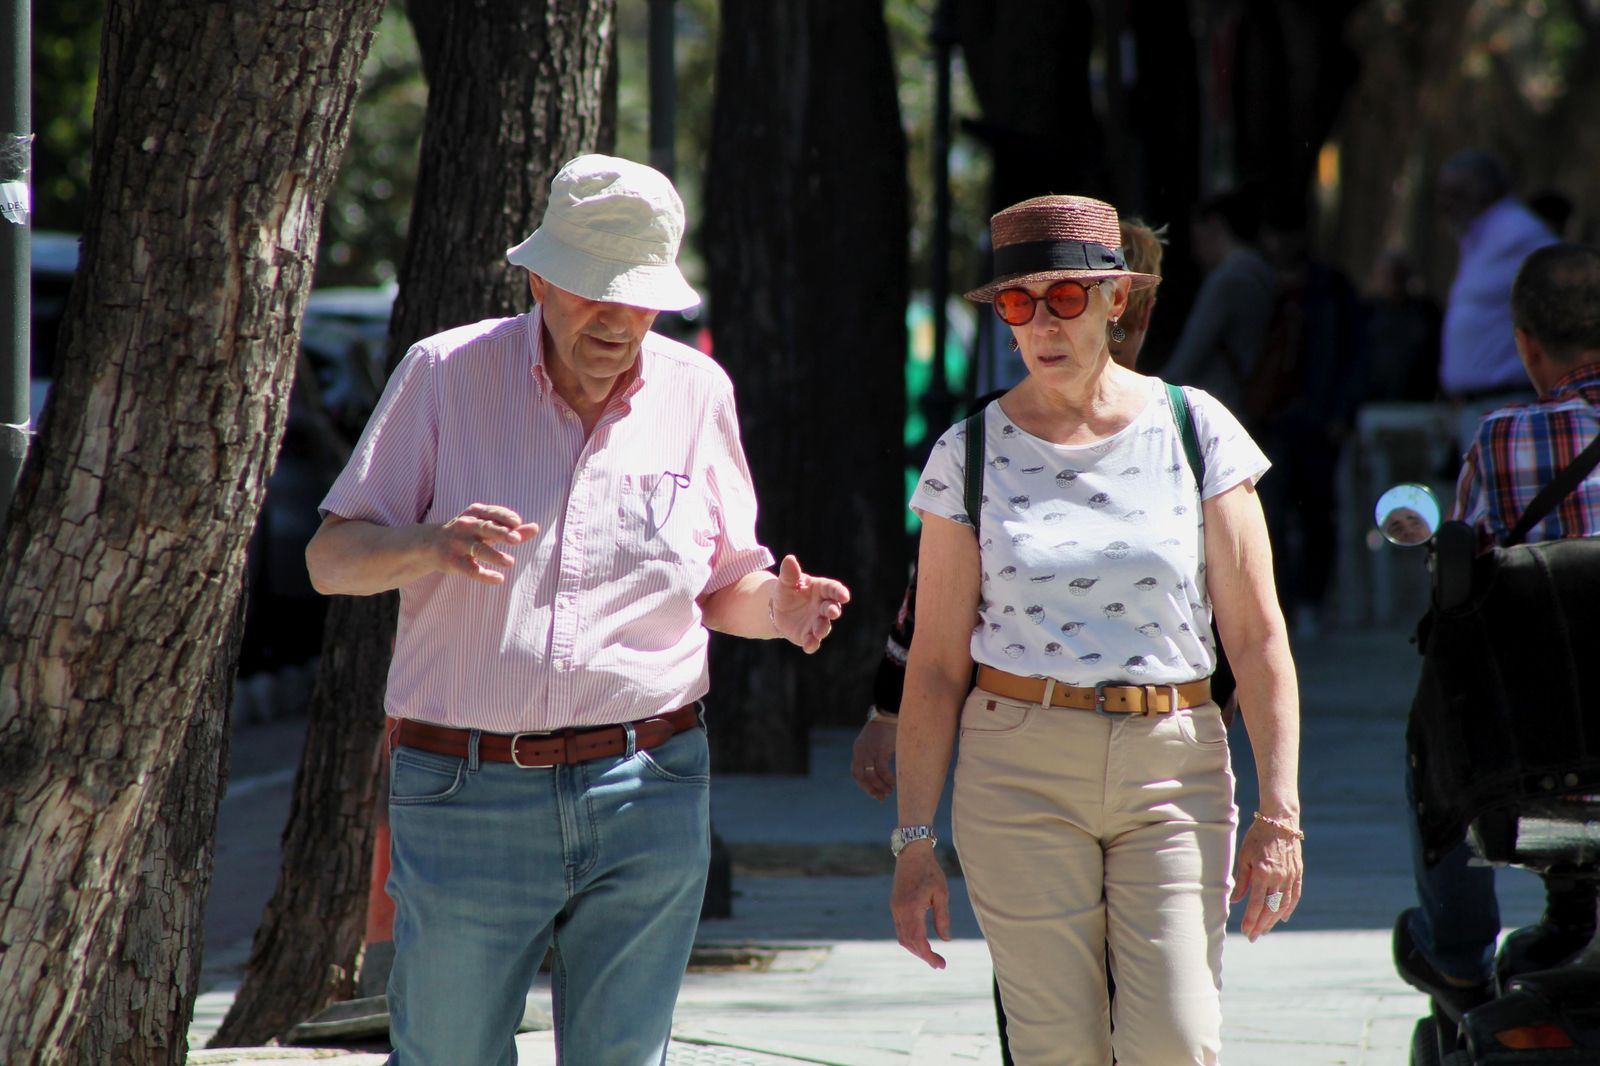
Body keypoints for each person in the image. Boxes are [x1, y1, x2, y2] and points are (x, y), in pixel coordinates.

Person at [304, 154, 850, 1066]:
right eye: (595, 292)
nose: (617, 319)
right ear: (540, 280)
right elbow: (329, 560)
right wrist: (430, 544)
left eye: (639, 299)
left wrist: (782, 612)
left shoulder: (697, 392)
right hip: (467, 788)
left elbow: (725, 586)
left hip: (649, 782)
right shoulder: (444, 374)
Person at [889, 194, 1303, 1065]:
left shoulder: (1197, 428)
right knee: (1057, 1049)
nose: (1043, 322)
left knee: (1176, 1040)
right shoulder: (967, 454)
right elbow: (934, 666)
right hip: (1018, 767)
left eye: (1067, 297)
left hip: (1174, 763)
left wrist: (1281, 815)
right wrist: (914, 839)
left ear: (1117, 299)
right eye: (1019, 301)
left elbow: (1259, 638)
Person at [1394, 242, 1600, 1011]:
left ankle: (1458, 951)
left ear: (1525, 345)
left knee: (1433, 726)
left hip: (1538, 738)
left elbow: (1462, 588)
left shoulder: (1502, 438)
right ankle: (1571, 914)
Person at [1436, 150, 1557, 457]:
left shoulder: (1518, 233)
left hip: (1506, 405)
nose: (1445, 204)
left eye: (1455, 192)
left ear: (1483, 189)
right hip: (1479, 408)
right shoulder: (1478, 238)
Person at [1157, 188, 1279, 422]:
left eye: (1196, 235)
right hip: (1253, 403)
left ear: (1214, 225)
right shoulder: (1265, 274)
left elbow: (1185, 362)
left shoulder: (1228, 280)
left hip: (1218, 410)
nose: (1194, 249)